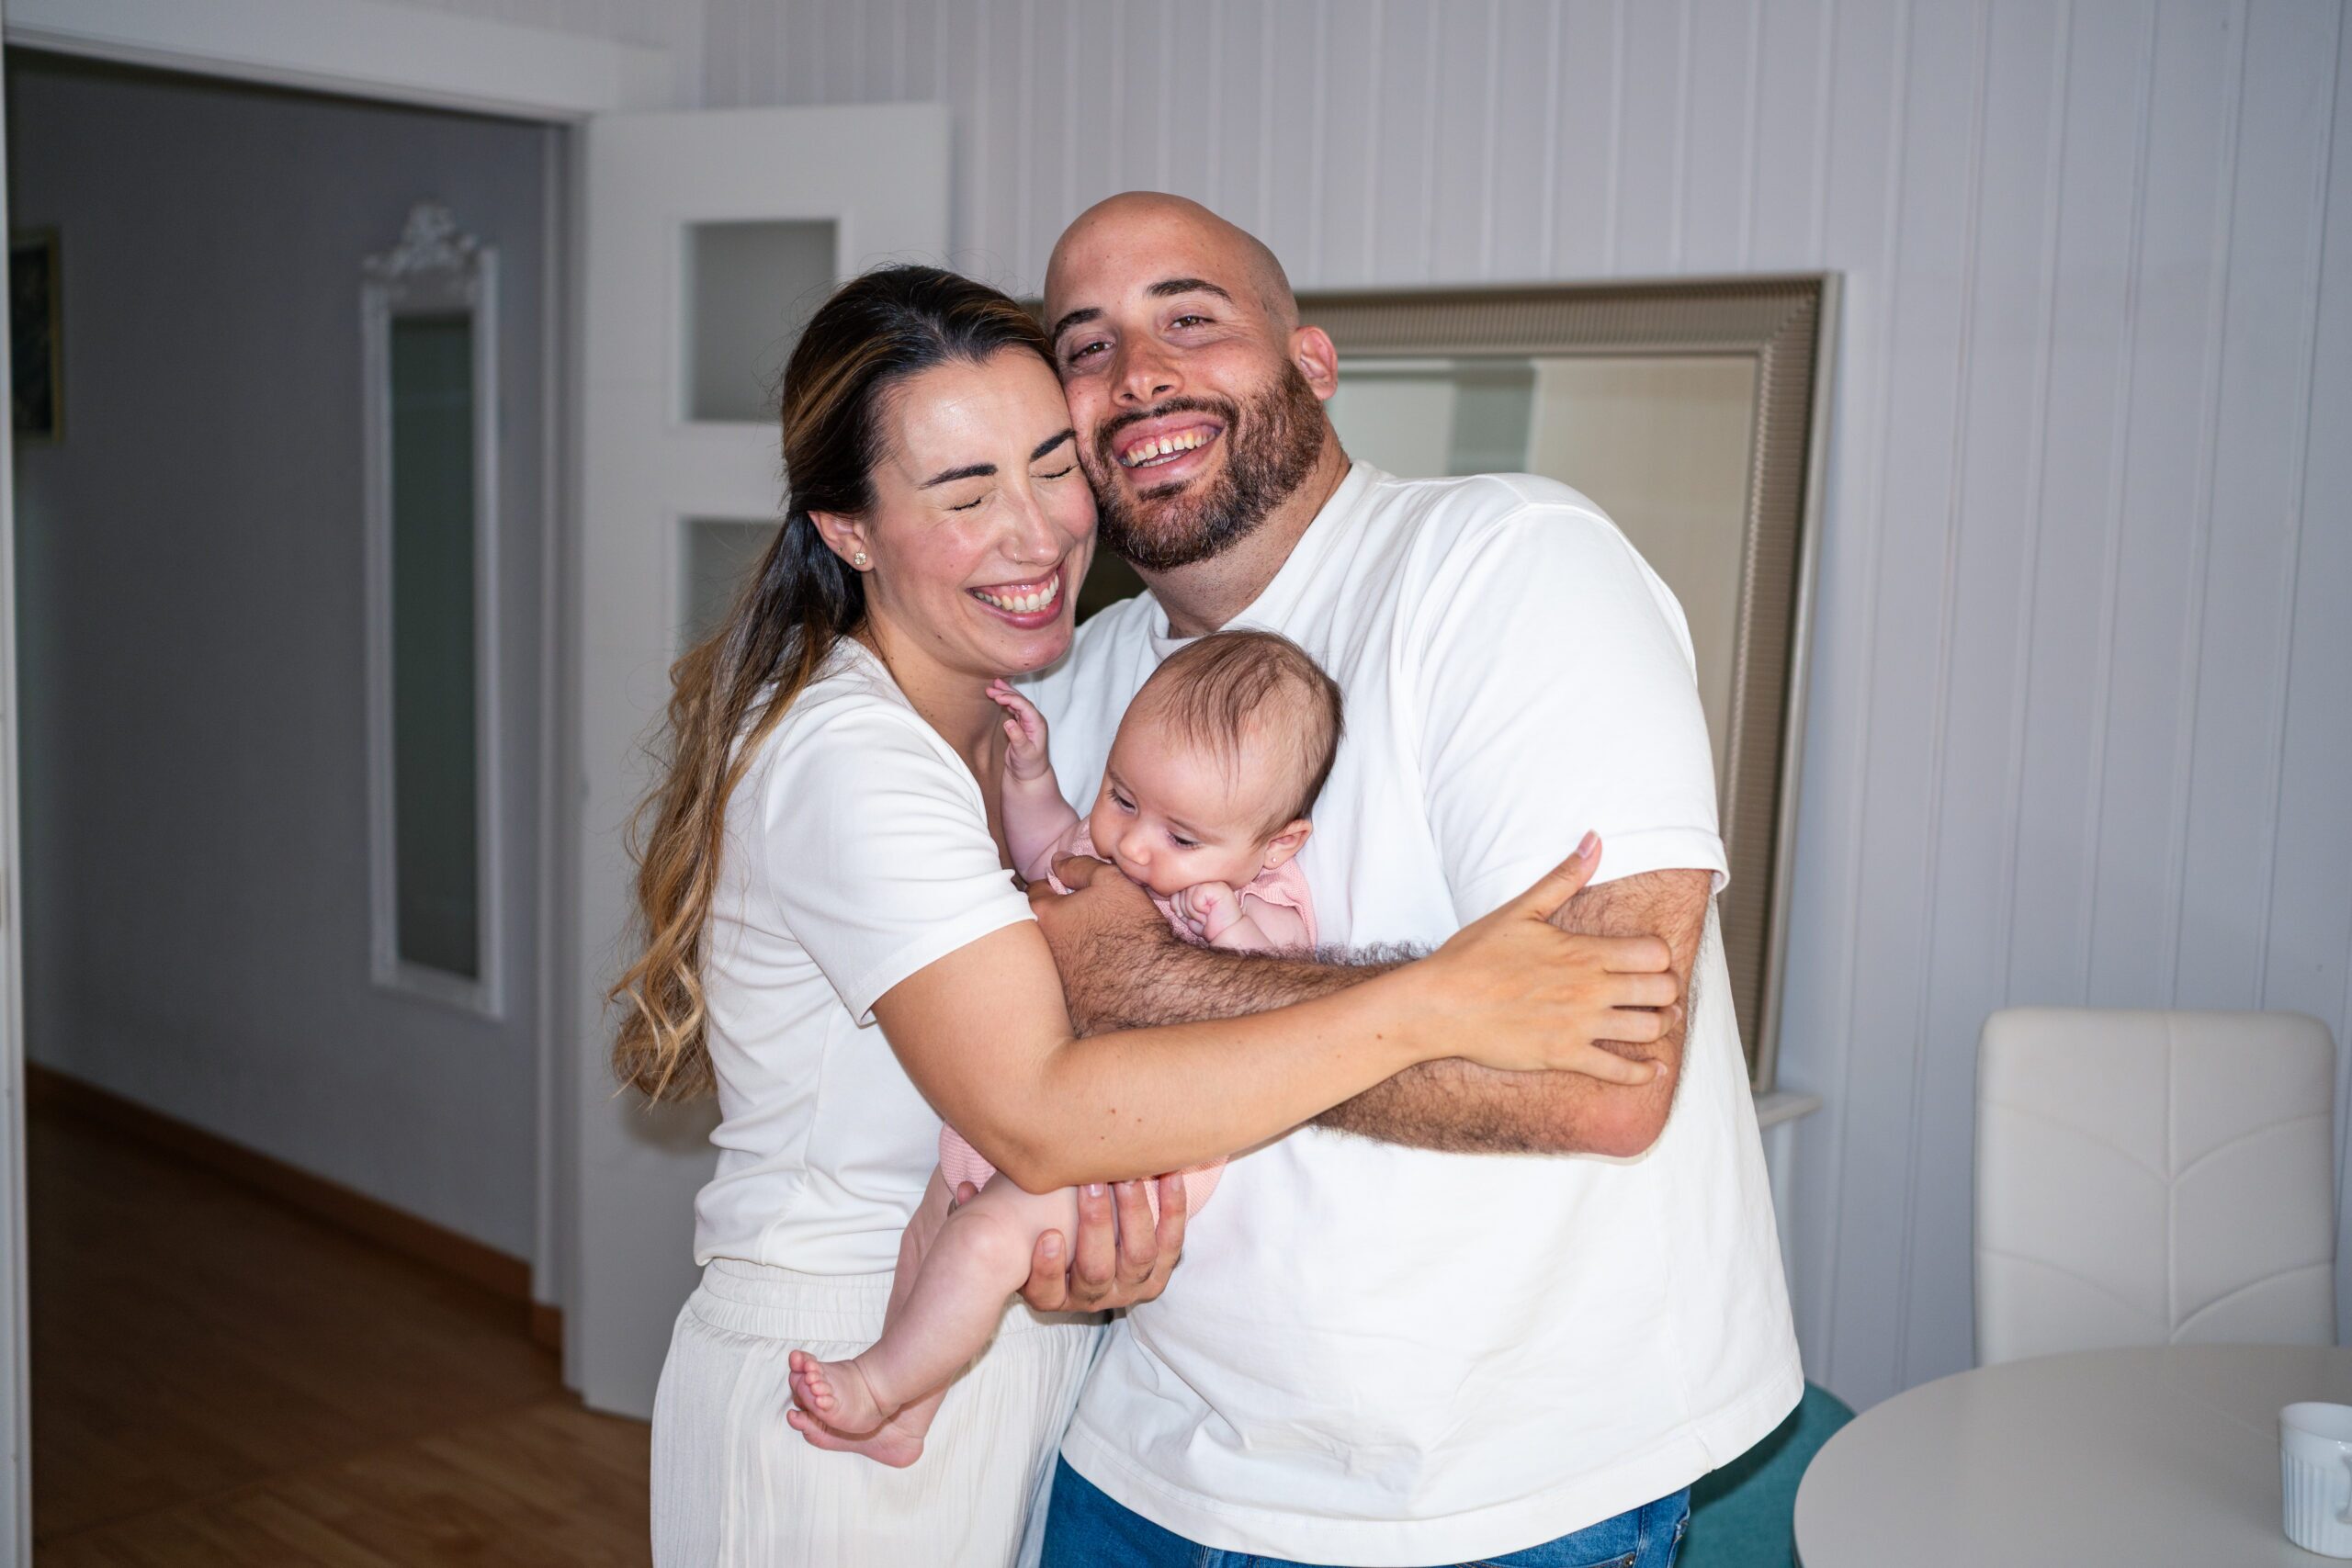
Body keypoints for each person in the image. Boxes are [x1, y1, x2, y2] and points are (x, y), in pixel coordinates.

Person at [611, 263, 1684, 1568]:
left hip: (998, 1360)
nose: (1038, 531)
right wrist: (1437, 995)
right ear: (849, 529)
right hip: (843, 1371)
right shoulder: (855, 756)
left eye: (1052, 464)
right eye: (965, 491)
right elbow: (1042, 1106)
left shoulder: (1018, 730)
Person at [1021, 193, 1804, 1568]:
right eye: (1085, 347)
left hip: (1490, 1499)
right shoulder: (1073, 691)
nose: (1136, 371)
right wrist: (1440, 997)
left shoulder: (1506, 568)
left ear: (1311, 361)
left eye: (1188, 317)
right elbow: (1057, 1031)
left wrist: (1145, 1006)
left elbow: (1596, 1079)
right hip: (1145, 1466)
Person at [781, 629, 1347, 1466]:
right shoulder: (1117, 841)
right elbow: (1047, 845)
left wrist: (1228, 925)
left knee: (978, 1243)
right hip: (1045, 1117)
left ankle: (878, 1386)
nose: (1136, 845)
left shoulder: (1265, 895)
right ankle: (908, 1413)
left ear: (1279, 844)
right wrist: (1033, 777)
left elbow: (1276, 987)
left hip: (1130, 1157)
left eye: (1182, 839)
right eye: (1122, 797)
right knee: (931, 1232)